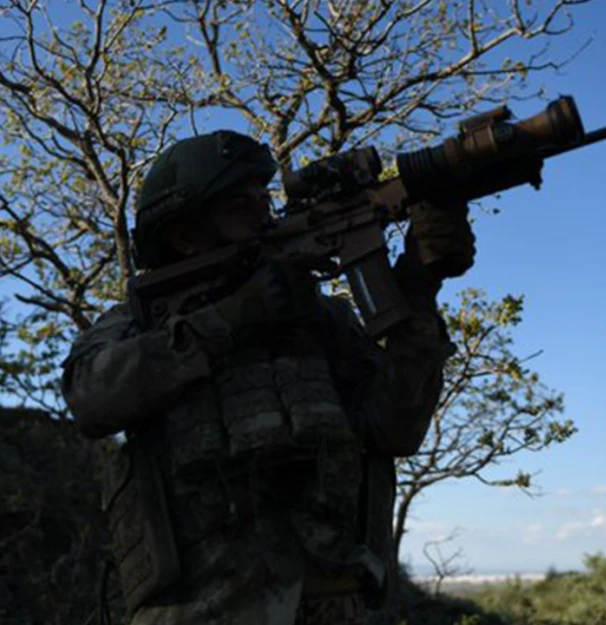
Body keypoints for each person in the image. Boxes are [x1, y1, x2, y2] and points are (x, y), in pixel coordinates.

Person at [61, 130, 475, 625]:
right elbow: (90, 397)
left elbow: (396, 428)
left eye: (265, 199)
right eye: (239, 205)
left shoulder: (323, 323)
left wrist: (417, 291)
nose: (263, 215)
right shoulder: (138, 324)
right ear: (184, 235)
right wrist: (232, 318)